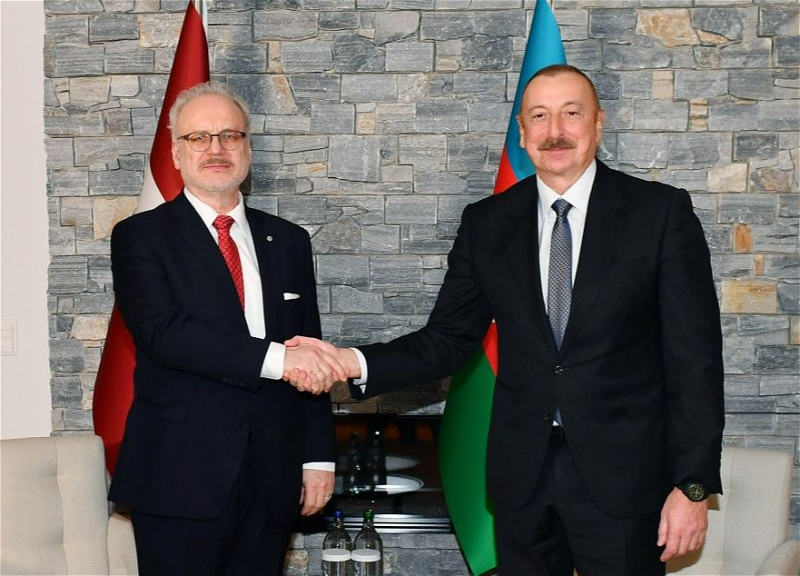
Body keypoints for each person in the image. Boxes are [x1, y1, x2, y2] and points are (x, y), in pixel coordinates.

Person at [285, 65, 725, 576]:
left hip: (626, 480)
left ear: (599, 123)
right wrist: (349, 361)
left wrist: (692, 486)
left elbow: (695, 361)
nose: (555, 131)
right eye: (539, 116)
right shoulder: (487, 222)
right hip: (523, 479)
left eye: (571, 113)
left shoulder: (660, 213)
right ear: (521, 132)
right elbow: (448, 339)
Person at [108, 82, 347, 576]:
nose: (215, 148)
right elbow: (164, 334)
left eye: (229, 135)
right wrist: (280, 360)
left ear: (248, 149)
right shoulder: (139, 236)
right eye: (198, 137)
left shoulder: (289, 240)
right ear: (176, 154)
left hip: (273, 476)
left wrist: (318, 459)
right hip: (179, 477)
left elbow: (310, 347)